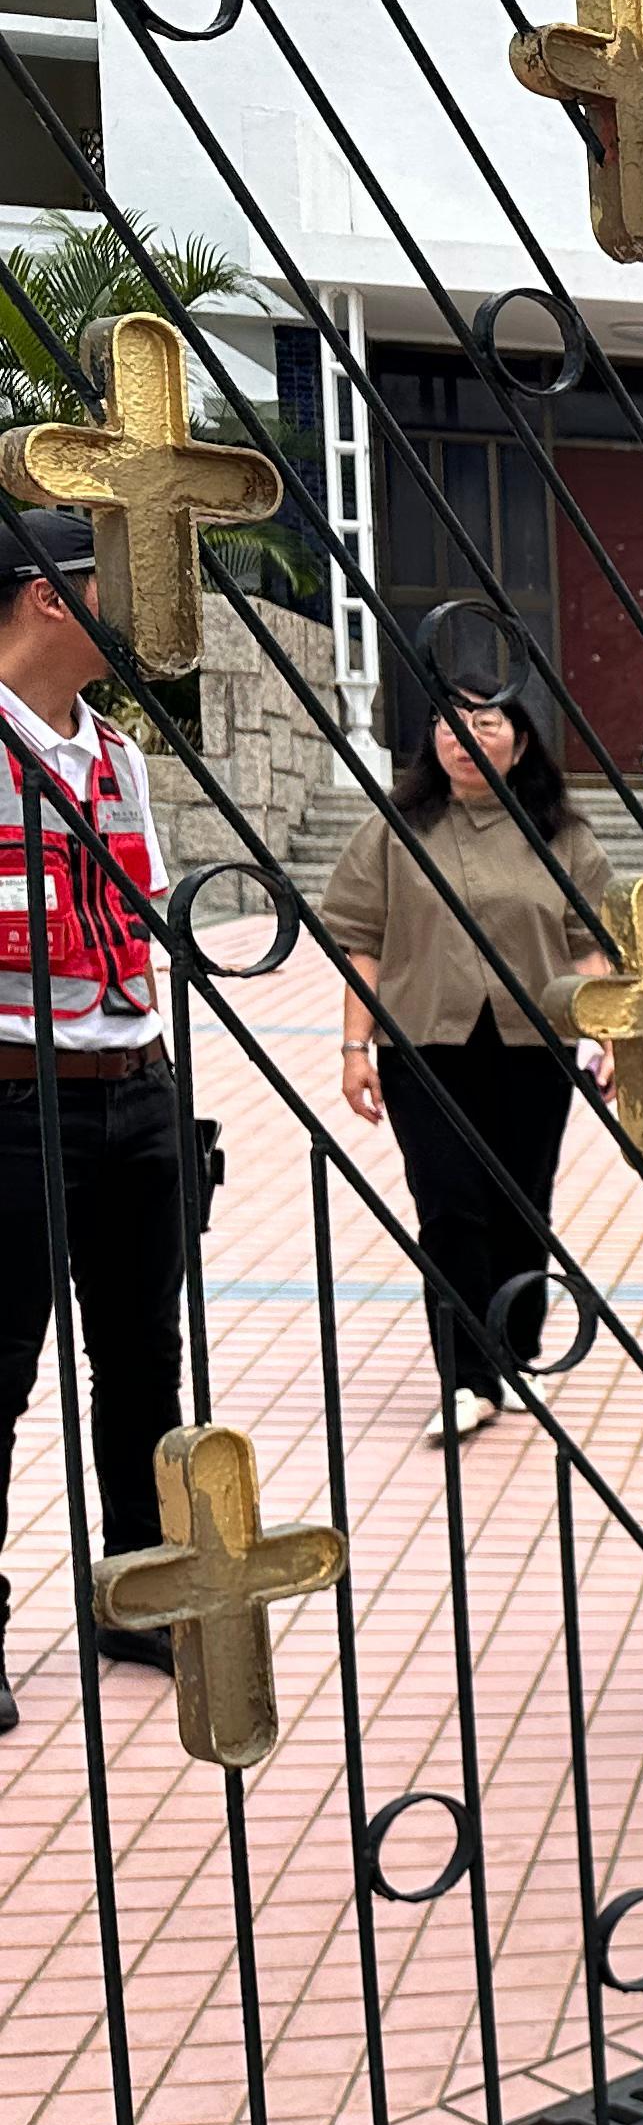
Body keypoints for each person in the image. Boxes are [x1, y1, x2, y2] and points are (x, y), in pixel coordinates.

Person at [0, 509, 187, 1735]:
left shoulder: (114, 753)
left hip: (135, 1089)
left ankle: (134, 1591)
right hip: (15, 1102)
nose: (132, 608)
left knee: (142, 1365)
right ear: (47, 599)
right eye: (104, 585)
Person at [322, 670, 615, 1445]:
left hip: (533, 1044)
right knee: (449, 1205)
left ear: (520, 742)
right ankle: (466, 1378)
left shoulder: (563, 834)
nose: (465, 736)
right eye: (450, 724)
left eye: (486, 722)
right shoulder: (396, 826)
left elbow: (591, 947)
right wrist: (355, 1047)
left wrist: (609, 1034)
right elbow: (362, 940)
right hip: (424, 1045)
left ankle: (515, 1355)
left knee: (524, 1200)